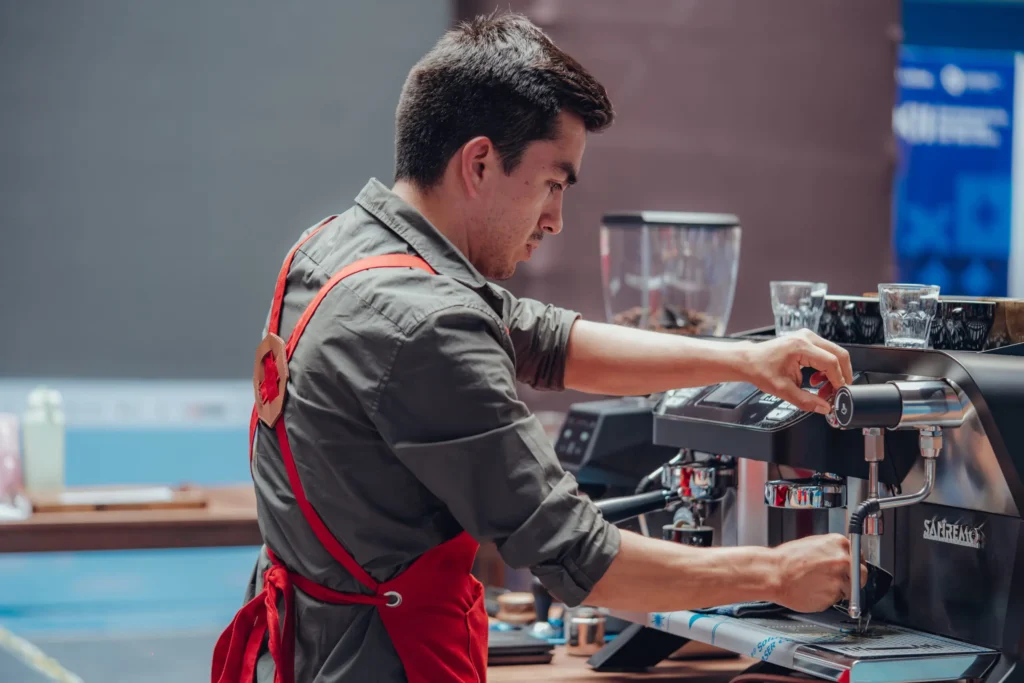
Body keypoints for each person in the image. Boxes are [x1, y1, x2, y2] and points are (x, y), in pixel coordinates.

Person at [212, 11, 861, 683]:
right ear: (480, 163)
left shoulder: (334, 247)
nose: (554, 220)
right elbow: (580, 555)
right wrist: (780, 573)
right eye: (554, 183)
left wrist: (742, 360)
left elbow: (544, 341)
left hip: (297, 651)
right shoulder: (427, 324)